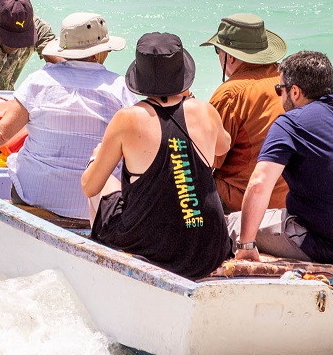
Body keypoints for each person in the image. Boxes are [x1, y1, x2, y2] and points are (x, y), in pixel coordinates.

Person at [0, 12, 135, 222]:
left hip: (35, 196)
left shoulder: (39, 81)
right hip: (91, 204)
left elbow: (0, 134)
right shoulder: (120, 89)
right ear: (100, 53)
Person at [81, 32, 232, 280]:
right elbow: (222, 147)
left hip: (151, 249)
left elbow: (89, 187)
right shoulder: (205, 110)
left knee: (99, 172)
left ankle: (106, 273)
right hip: (209, 249)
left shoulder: (127, 118)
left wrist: (96, 158)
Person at [230, 50, 333, 266]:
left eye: (279, 89)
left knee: (231, 225)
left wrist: (246, 247)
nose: (279, 96)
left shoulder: (290, 123)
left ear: (294, 92)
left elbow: (258, 185)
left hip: (331, 248)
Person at [200, 13, 289, 213]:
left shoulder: (232, 93)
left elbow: (209, 158)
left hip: (245, 201)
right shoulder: (288, 81)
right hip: (289, 197)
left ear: (230, 56)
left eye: (218, 50)